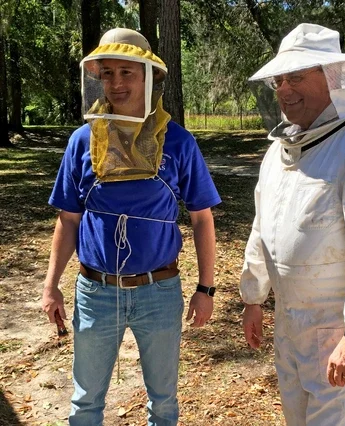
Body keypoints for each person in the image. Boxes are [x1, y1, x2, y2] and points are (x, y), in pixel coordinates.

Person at [41, 28, 221, 426]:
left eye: (127, 72)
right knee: (85, 402)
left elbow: (202, 218)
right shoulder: (81, 141)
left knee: (164, 403)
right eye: (107, 73)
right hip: (95, 291)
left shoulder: (178, 141)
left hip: (159, 291)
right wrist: (51, 284)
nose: (117, 83)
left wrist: (205, 288)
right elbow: (68, 219)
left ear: (148, 76)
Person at [240, 23, 345, 425]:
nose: (285, 90)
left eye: (297, 77)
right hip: (288, 325)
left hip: (337, 330)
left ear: (331, 77)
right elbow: (264, 228)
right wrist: (253, 297)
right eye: (279, 80)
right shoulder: (279, 152)